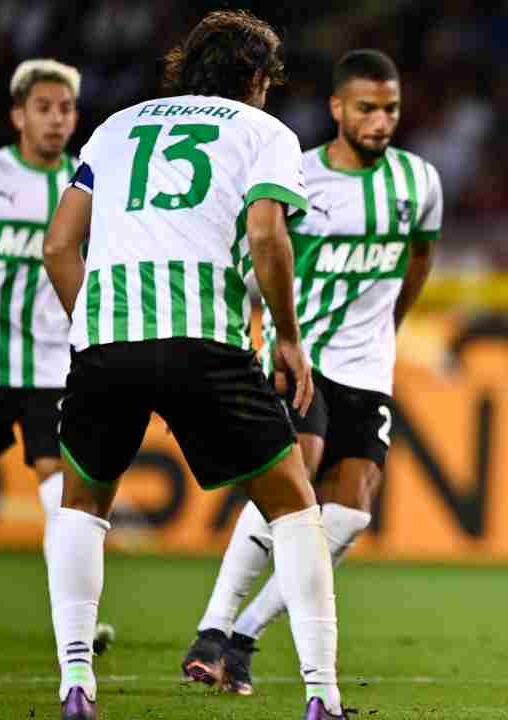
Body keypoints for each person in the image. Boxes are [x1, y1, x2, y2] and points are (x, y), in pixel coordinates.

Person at [41, 10, 346, 720]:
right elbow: (268, 234)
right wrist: (290, 339)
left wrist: (93, 323)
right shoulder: (263, 132)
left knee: (82, 507)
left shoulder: (114, 128)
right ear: (255, 78)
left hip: (104, 344)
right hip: (203, 340)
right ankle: (321, 695)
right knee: (295, 503)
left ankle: (76, 683)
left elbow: (59, 246)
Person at [184, 48, 440, 696]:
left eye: (391, 109)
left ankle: (242, 635)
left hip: (369, 367)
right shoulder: (296, 175)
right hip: (305, 356)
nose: (381, 122)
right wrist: (254, 336)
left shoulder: (420, 182)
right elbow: (253, 260)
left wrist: (390, 327)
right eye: (367, 109)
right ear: (337, 109)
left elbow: (419, 259)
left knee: (349, 518)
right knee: (291, 482)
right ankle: (212, 629)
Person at [0, 59, 78, 560]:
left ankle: (68, 618)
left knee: (58, 483)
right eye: (44, 108)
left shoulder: (84, 183)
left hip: (56, 362)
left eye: (66, 109)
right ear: (18, 116)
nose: (56, 119)